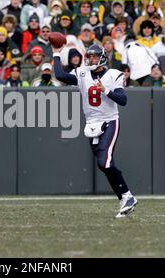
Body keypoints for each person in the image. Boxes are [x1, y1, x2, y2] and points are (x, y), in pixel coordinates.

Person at [52, 44, 137, 218]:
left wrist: (106, 90)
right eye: (89, 56)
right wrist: (56, 53)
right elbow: (60, 75)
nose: (91, 59)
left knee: (104, 162)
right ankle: (126, 197)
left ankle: (127, 196)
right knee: (105, 164)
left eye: (94, 56)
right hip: (91, 124)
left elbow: (123, 100)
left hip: (109, 122)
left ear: (102, 57)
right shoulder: (81, 73)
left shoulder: (114, 74)